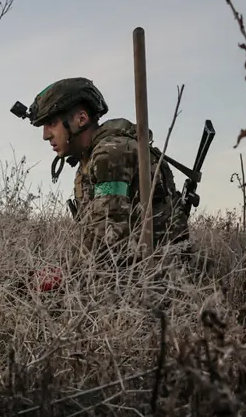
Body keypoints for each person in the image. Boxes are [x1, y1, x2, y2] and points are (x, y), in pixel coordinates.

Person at [26, 77, 191, 278]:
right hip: (128, 273)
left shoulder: (111, 154)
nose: (46, 135)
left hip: (157, 280)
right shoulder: (88, 160)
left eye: (51, 123)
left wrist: (64, 277)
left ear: (81, 119)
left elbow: (108, 239)